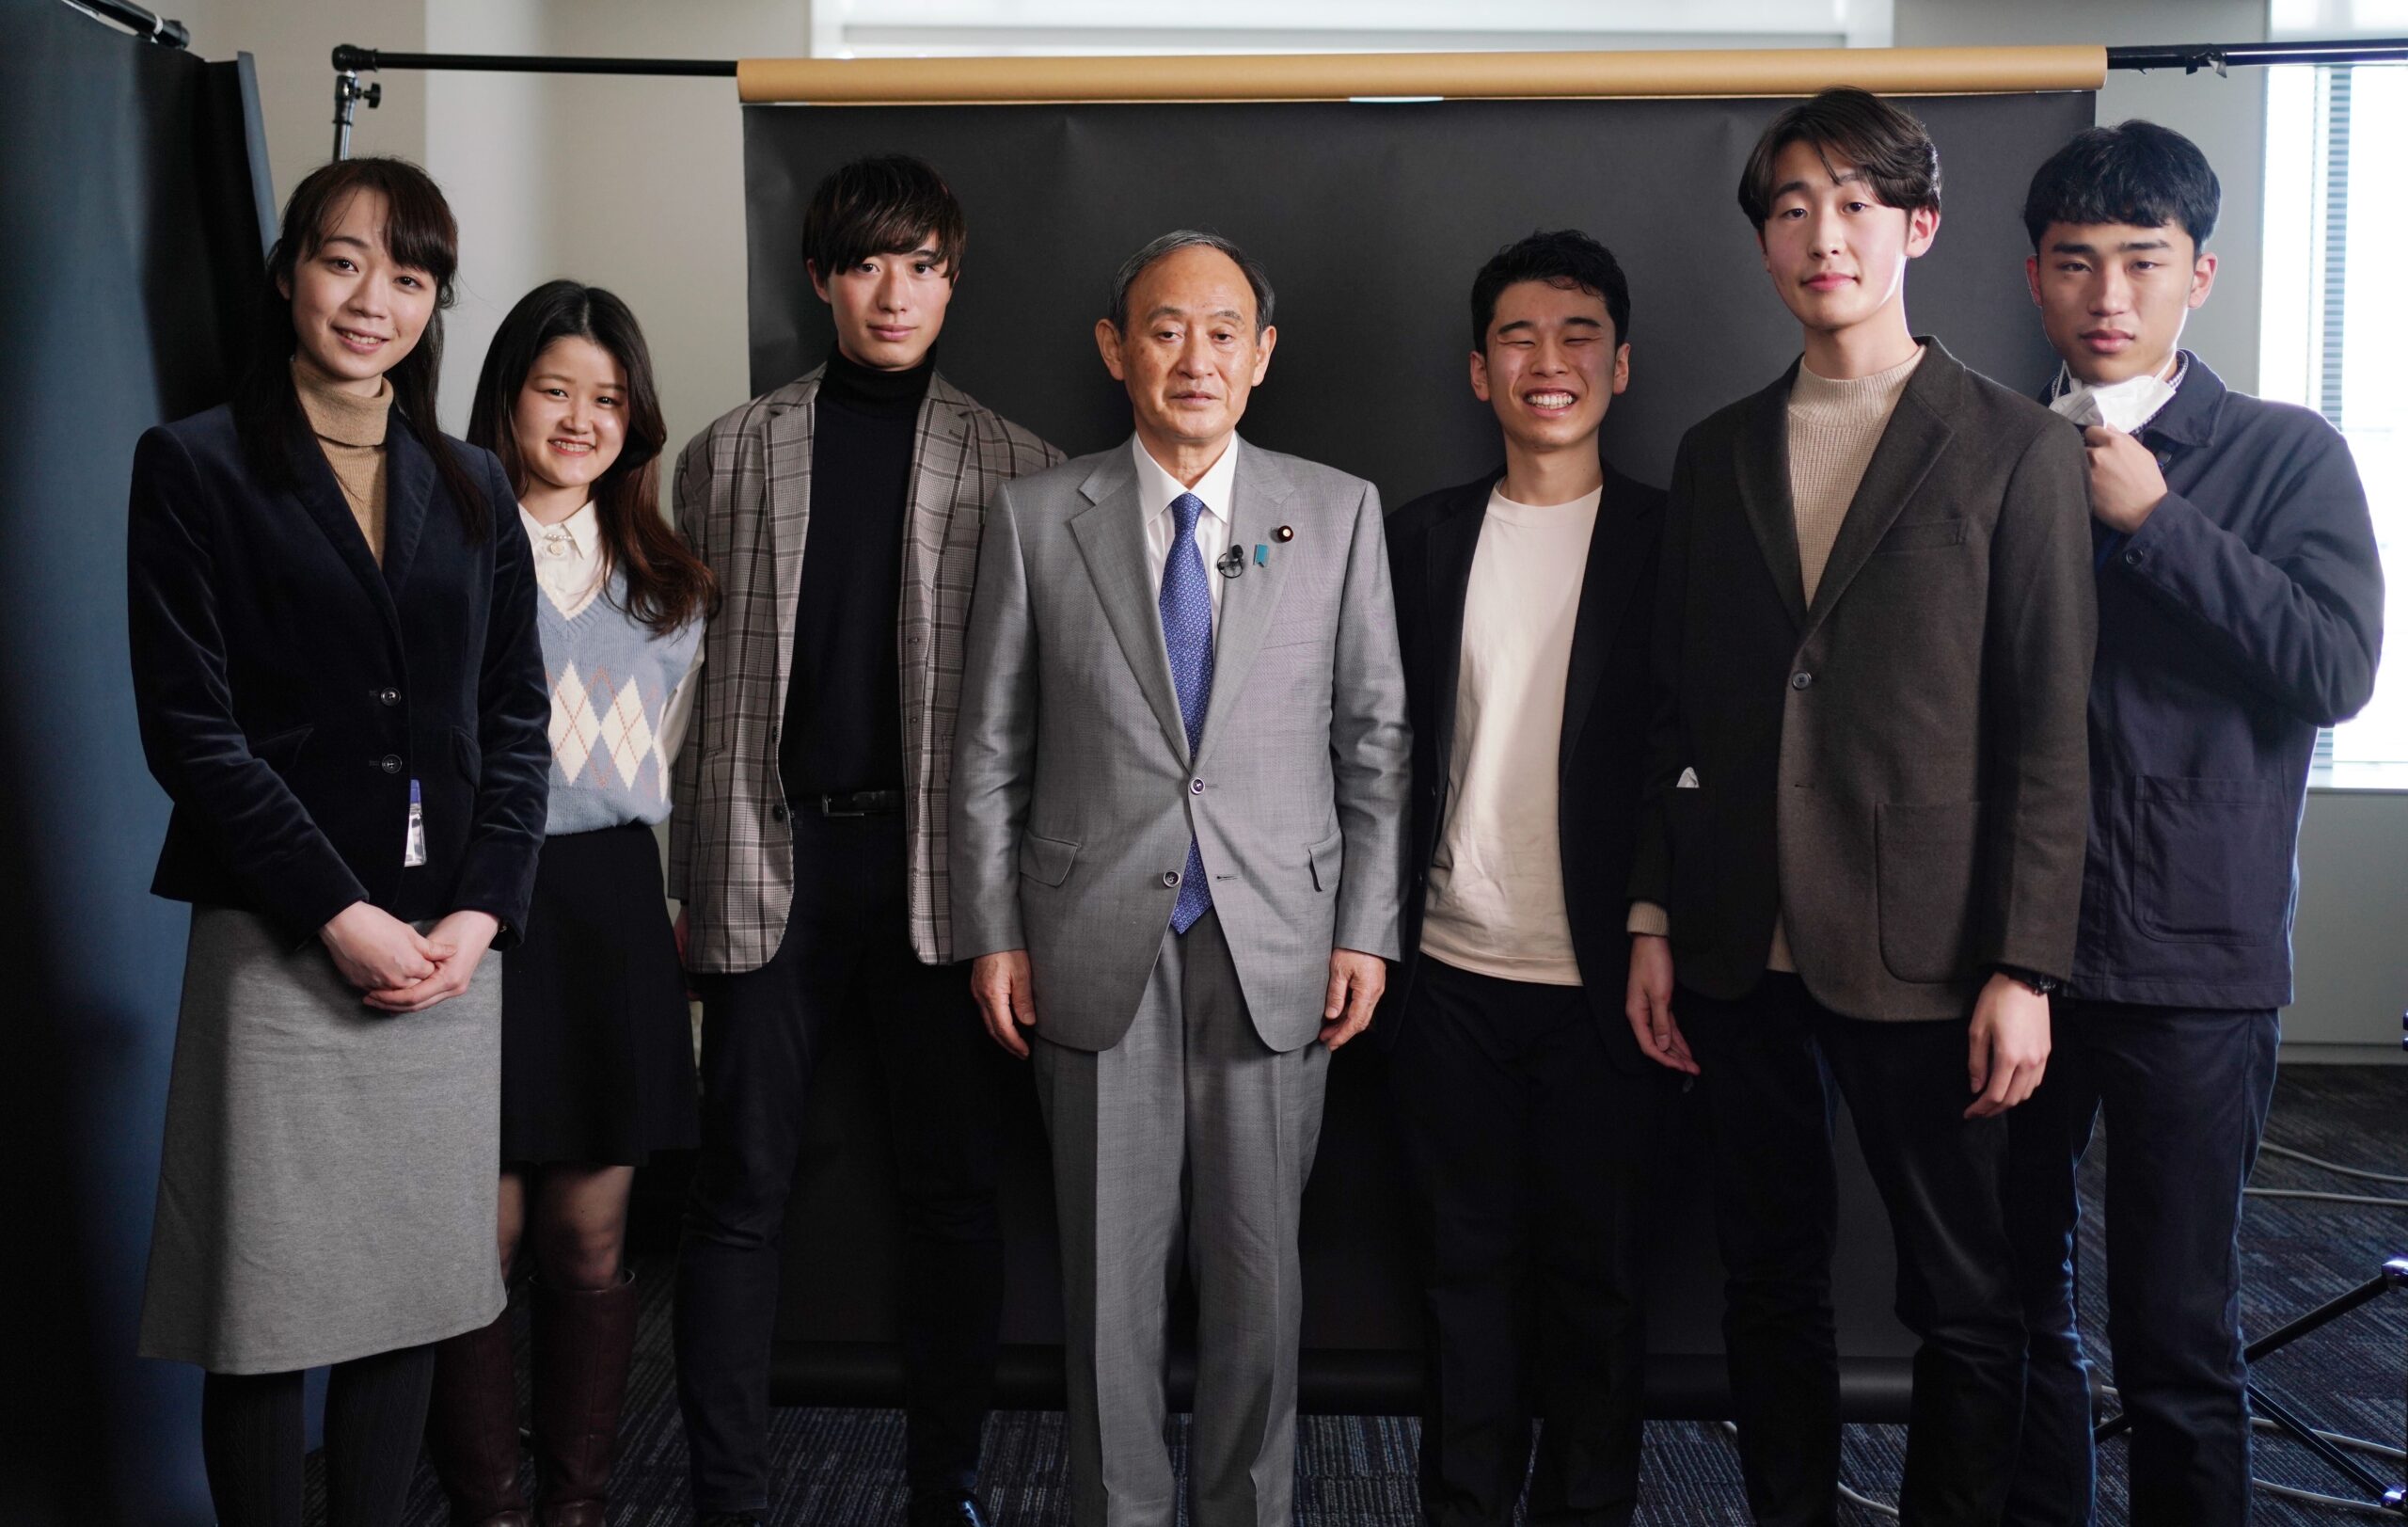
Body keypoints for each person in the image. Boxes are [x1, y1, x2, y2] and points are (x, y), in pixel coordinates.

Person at [1621, 87, 2095, 1525]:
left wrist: (2026, 965)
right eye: (1791, 209)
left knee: (1965, 1297)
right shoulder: (1717, 452)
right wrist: (1653, 912)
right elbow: (1676, 711)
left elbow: (2049, 730)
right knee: (1767, 1277)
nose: (1823, 235)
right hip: (1737, 941)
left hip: (1933, 953)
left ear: (1919, 226)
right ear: (1765, 241)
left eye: (1855, 205)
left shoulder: (2015, 447)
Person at [951, 229, 1411, 1527]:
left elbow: (1375, 739)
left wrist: (1367, 929)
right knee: (1108, 1286)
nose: (1194, 357)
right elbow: (990, 746)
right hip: (1089, 941)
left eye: (1222, 332)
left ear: (1261, 356)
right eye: (1165, 330)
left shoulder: (1336, 511)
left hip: (1280, 944)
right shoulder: (1040, 516)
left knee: (1262, 1284)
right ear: (1117, 350)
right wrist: (993, 929)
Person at [127, 156, 548, 1527]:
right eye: (343, 261)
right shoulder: (194, 464)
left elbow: (517, 720)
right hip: (280, 934)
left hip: (446, 946)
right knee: (264, 1306)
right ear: (288, 273)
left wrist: (481, 913)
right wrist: (337, 911)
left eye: (409, 276)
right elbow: (191, 733)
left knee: (406, 1292)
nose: (374, 300)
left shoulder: (472, 483)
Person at [668, 154, 1061, 1527]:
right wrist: (681, 870)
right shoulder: (727, 452)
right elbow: (682, 685)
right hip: (764, 855)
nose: (897, 293)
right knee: (738, 1188)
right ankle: (725, 1497)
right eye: (870, 264)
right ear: (823, 278)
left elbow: (1043, 716)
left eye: (925, 266)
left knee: (953, 1191)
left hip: (941, 876)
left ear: (952, 282)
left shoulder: (1020, 467)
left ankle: (946, 1487)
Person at [2003, 120, 2384, 1527]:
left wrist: (2158, 520)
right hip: (2012, 956)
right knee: (2009, 1314)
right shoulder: (1996, 447)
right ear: (2035, 276)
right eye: (2077, 261)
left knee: (2176, 1332)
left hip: (2195, 962)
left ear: (2199, 274)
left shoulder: (2289, 454)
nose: (2109, 294)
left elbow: (2333, 670)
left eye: (2144, 261)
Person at [1382, 229, 1671, 1527]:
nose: (1548, 362)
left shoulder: (1677, 537)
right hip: (1446, 974)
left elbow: (1694, 753)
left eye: (1577, 336)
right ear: (1478, 370)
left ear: (1621, 365)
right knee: (1460, 1281)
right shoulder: (1418, 539)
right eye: (1518, 337)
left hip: (1611, 981)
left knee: (1600, 1290)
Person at [420, 280, 715, 1527]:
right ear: (508, 398)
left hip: (608, 910)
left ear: (634, 418)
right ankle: (487, 1508)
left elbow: (668, 768)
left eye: (607, 398)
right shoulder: (437, 548)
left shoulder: (669, 584)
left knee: (591, 1243)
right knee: (472, 1241)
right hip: (475, 905)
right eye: (556, 390)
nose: (581, 419)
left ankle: (575, 1505)